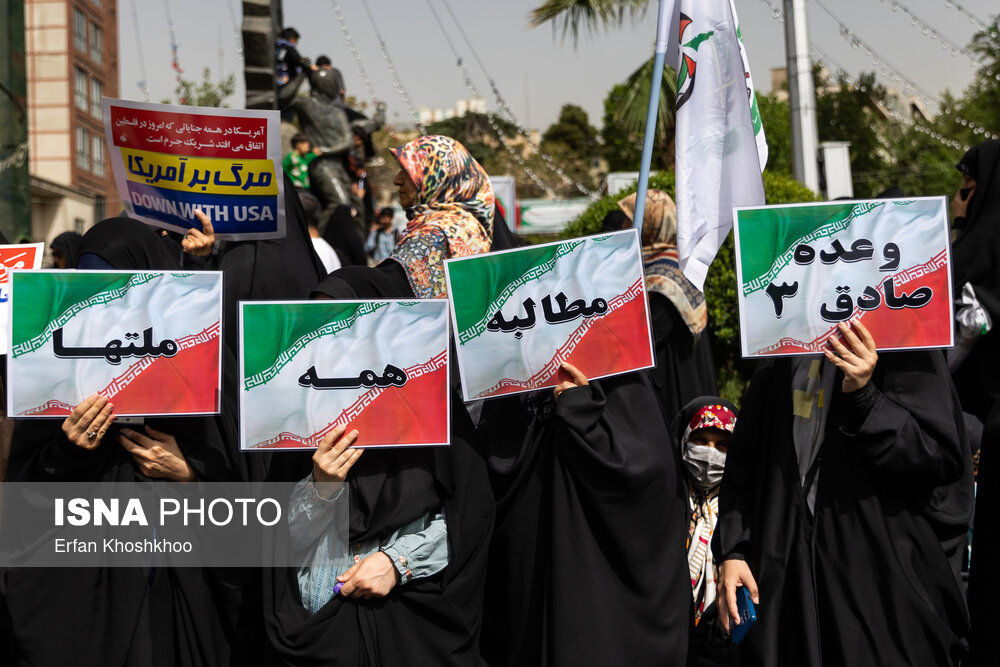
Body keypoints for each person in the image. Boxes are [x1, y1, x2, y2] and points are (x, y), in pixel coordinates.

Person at [0, 217, 246, 667]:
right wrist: (68, 451)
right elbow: (26, 493)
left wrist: (191, 475)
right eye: (90, 281)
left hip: (182, 581)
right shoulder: (51, 362)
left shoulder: (197, 357)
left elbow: (243, 475)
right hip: (89, 588)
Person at [715, 320, 973, 666]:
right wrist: (733, 550)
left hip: (880, 596)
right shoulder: (783, 337)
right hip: (786, 585)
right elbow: (747, 457)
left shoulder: (906, 332)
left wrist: (866, 396)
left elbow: (939, 457)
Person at [478, 362, 692, 666]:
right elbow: (489, 477)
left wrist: (582, 415)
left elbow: (650, 484)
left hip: (603, 609)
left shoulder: (625, 387)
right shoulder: (508, 395)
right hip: (526, 603)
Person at [602, 189, 718, 423]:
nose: (625, 225)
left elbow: (651, 333)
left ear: (651, 224)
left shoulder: (666, 274)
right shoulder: (667, 262)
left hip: (673, 376)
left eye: (631, 218)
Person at [673, 397, 741, 667]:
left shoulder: (740, 512)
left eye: (722, 446)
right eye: (701, 441)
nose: (710, 453)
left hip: (719, 646)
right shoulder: (665, 498)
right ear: (684, 440)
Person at [388, 135, 496, 298]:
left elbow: (388, 288)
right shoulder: (464, 223)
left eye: (408, 171)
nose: (397, 180)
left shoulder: (434, 233)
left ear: (438, 177)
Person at [949, 139, 1000, 422]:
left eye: (969, 181)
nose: (962, 191)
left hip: (977, 405)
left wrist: (960, 225)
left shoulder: (980, 244)